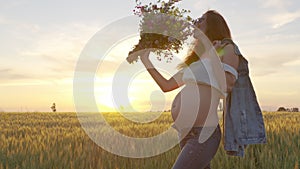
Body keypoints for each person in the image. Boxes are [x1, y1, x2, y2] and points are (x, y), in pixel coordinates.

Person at [138, 10, 239, 169]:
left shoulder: (226, 48)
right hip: (185, 132)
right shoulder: (196, 60)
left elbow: (228, 84)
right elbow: (166, 85)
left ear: (213, 25)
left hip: (203, 133)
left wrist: (213, 54)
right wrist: (145, 60)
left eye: (201, 19)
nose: (196, 22)